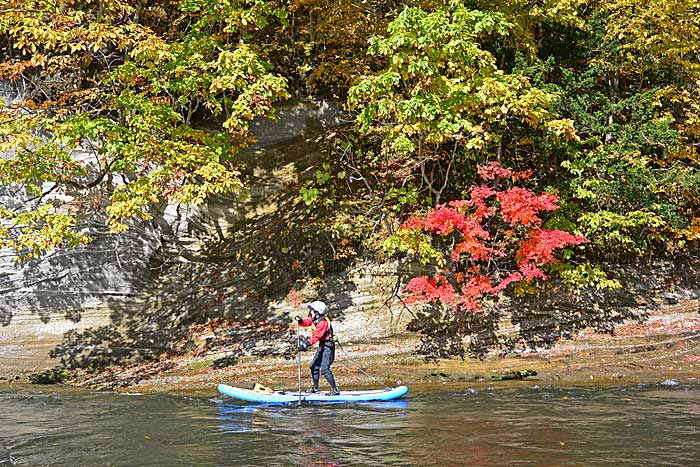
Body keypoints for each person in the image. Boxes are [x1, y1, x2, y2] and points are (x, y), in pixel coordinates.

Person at [295, 300, 340, 396]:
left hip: (328, 347)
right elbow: (307, 322)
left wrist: (305, 345)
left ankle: (335, 390)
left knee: (324, 369)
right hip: (322, 346)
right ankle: (315, 388)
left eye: (312, 310)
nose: (310, 311)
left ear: (317, 312)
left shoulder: (322, 323)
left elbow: (316, 337)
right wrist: (300, 321)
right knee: (314, 367)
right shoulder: (314, 319)